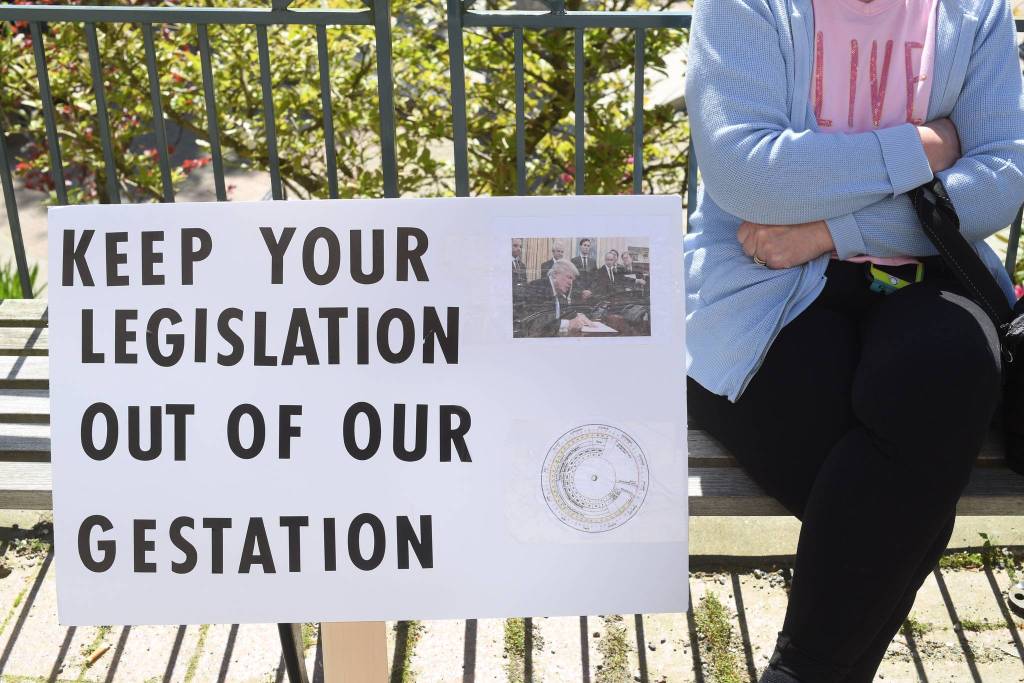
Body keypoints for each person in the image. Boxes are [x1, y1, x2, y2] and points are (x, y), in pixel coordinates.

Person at [684, 0, 1024, 681]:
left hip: (924, 274)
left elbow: (1002, 181)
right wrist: (926, 146)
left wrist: (829, 231)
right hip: (761, 286)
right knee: (902, 480)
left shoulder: (972, 11)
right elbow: (750, 175)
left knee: (949, 367)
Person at [518, 260, 593, 337]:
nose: (571, 283)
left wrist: (577, 315)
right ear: (555, 274)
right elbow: (534, 324)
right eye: (569, 277)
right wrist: (568, 323)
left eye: (572, 280)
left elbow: (558, 315)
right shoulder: (537, 287)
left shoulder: (556, 291)